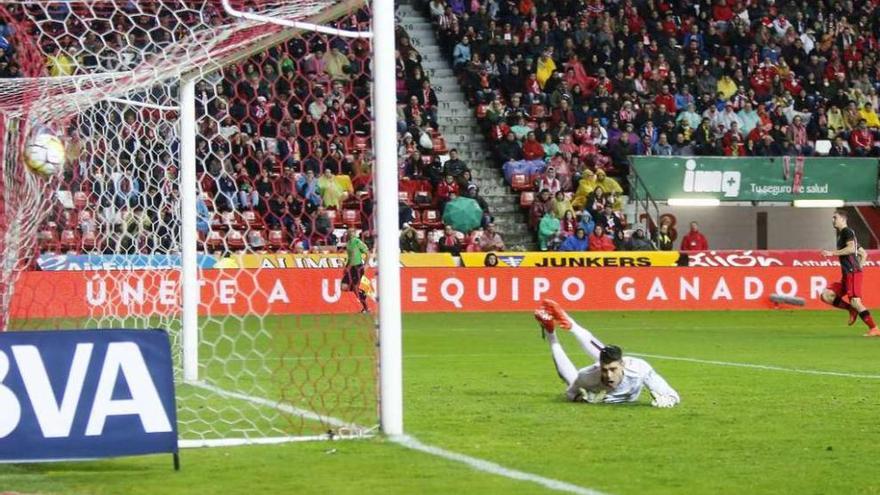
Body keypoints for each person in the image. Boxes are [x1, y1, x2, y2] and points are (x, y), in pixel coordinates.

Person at [533, 299, 680, 407]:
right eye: (605, 370)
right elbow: (570, 393)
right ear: (600, 367)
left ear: (622, 365)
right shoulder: (588, 376)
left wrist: (666, 401)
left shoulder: (640, 369)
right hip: (594, 382)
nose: (609, 375)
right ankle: (551, 332)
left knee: (603, 351)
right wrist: (579, 398)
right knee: (573, 379)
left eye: (613, 370)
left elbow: (673, 396)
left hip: (620, 371)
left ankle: (571, 324)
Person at [820, 210, 879, 336]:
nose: (833, 220)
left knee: (856, 302)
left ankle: (874, 328)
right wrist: (860, 267)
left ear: (842, 219)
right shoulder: (843, 235)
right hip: (848, 274)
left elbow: (851, 248)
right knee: (826, 295)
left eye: (835, 218)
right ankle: (851, 309)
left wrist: (832, 253)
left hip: (852, 272)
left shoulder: (847, 232)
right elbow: (863, 253)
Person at [342, 227, 370, 313]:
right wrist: (346, 267)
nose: (351, 233)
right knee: (344, 287)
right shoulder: (348, 244)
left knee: (355, 288)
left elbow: (367, 252)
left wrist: (366, 264)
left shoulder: (357, 241)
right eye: (349, 232)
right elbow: (350, 257)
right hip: (351, 268)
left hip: (358, 267)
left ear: (355, 233)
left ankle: (366, 308)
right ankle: (361, 292)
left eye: (352, 232)